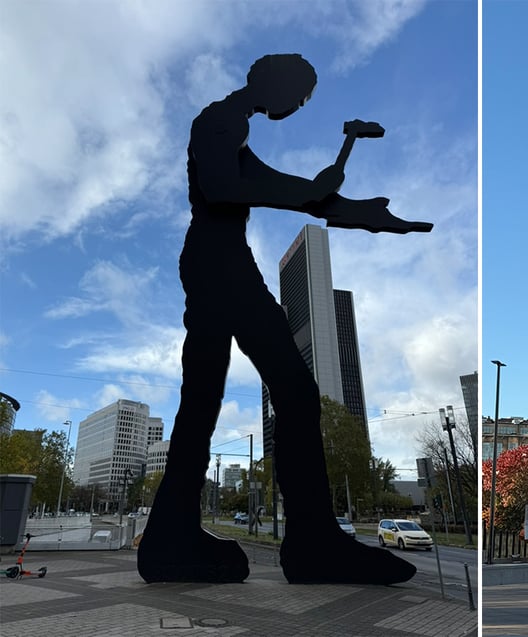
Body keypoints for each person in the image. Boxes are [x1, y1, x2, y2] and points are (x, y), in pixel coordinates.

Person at [137, 54, 430, 585]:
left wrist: (362, 213)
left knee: (208, 397)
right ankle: (311, 542)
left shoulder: (235, 129)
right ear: (272, 83)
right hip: (218, 263)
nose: (297, 107)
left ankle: (173, 533)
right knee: (289, 391)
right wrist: (310, 193)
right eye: (299, 96)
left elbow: (291, 191)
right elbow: (224, 186)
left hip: (220, 261)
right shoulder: (219, 120)